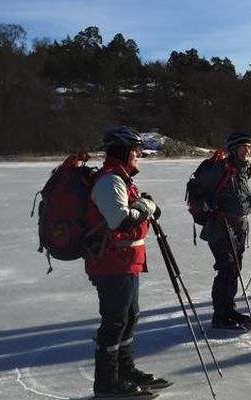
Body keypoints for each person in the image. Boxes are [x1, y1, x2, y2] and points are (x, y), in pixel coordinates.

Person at [86, 126, 170, 398]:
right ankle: (107, 383)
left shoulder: (121, 179)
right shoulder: (110, 181)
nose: (139, 156)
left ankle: (124, 371)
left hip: (126, 261)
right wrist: (146, 207)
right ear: (123, 152)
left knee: (129, 317)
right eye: (135, 151)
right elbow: (119, 220)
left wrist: (143, 205)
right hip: (111, 263)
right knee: (115, 321)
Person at [195, 133, 251, 330]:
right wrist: (209, 204)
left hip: (238, 227)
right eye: (243, 148)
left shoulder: (241, 171)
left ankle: (229, 309)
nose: (248, 151)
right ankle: (220, 315)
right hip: (219, 227)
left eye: (249, 148)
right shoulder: (220, 169)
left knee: (234, 269)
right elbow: (201, 192)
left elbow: (242, 200)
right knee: (226, 268)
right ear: (234, 150)